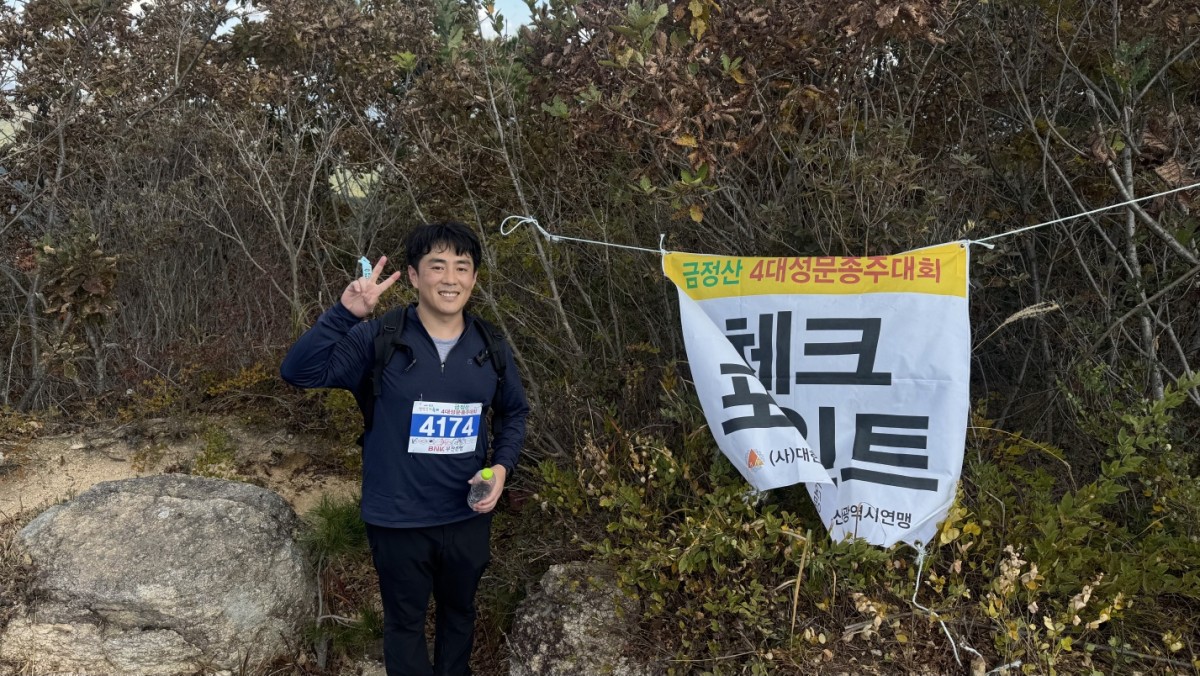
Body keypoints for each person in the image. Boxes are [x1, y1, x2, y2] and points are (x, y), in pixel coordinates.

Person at [281, 221, 529, 676]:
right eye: (437, 266)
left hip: (466, 515)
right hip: (398, 518)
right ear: (414, 275)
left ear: (474, 278)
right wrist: (344, 314)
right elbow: (299, 372)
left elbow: (514, 412)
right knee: (404, 624)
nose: (450, 278)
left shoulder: (490, 344)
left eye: (462, 267)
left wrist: (502, 468)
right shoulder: (379, 338)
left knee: (460, 613)